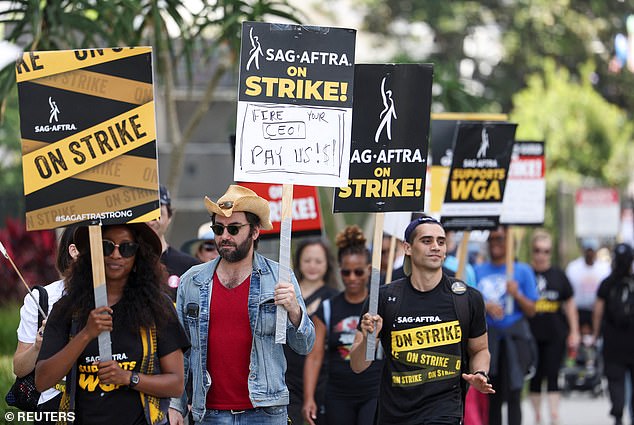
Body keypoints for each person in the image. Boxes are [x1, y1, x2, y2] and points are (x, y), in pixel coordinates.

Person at [169, 185, 315, 425]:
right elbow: (180, 351)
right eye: (218, 228)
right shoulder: (191, 282)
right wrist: (175, 404)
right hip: (209, 413)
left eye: (234, 228)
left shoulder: (279, 277)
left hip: (265, 411)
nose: (225, 236)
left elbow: (305, 345)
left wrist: (294, 311)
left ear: (255, 231)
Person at [35, 222, 190, 425]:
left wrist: (128, 378)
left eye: (126, 248)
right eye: (107, 246)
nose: (116, 255)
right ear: (93, 253)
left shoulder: (157, 308)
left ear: (137, 256)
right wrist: (86, 334)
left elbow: (176, 384)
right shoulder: (67, 309)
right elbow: (42, 380)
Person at [350, 215, 494, 425]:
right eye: (427, 241)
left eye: (441, 241)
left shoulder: (466, 298)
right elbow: (357, 365)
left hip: (445, 410)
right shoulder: (383, 298)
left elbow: (480, 349)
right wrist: (367, 338)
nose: (436, 246)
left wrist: (480, 373)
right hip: (394, 414)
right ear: (407, 247)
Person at [303, 226, 382, 425]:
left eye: (358, 271)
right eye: (346, 272)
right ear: (340, 271)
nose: (352, 278)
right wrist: (309, 397)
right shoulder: (328, 308)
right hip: (338, 394)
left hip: (374, 391)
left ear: (369, 270)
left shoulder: (380, 305)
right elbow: (314, 356)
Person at [13, 226, 78, 422]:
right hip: (52, 405)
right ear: (74, 251)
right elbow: (19, 367)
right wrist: (38, 345)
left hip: (102, 402)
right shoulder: (41, 298)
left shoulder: (113, 297)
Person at [475, 226, 538, 425]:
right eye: (492, 238)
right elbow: (467, 305)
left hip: (515, 342)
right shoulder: (477, 270)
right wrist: (484, 305)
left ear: (510, 243)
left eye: (500, 238)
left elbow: (532, 310)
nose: (495, 243)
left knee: (514, 395)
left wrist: (517, 294)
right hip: (489, 342)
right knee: (492, 395)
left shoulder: (523, 271)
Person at [528, 230, 579, 425]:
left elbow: (570, 304)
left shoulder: (558, 275)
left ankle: (554, 415)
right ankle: (538, 416)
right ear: (533, 251)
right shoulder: (526, 272)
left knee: (553, 374)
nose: (541, 255)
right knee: (535, 376)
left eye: (546, 251)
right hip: (531, 334)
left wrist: (574, 331)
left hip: (555, 333)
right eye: (537, 250)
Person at [286, 238, 339, 425]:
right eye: (307, 260)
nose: (312, 266)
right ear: (298, 261)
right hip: (285, 375)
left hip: (320, 378)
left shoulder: (334, 298)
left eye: (318, 261)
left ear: (327, 264)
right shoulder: (286, 292)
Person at [592, 243, 634, 425]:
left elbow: (598, 312)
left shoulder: (607, 283)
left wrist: (595, 334)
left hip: (613, 341)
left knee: (615, 381)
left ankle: (618, 413)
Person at [148, 184, 200, 300]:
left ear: (169, 217)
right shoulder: (123, 263)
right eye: (146, 214)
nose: (151, 222)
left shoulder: (189, 267)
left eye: (158, 214)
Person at [565, 237, 611, 334]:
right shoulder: (573, 268)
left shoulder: (604, 269)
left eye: (592, 251)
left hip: (598, 311)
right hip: (578, 311)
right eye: (588, 250)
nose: (590, 254)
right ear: (583, 250)